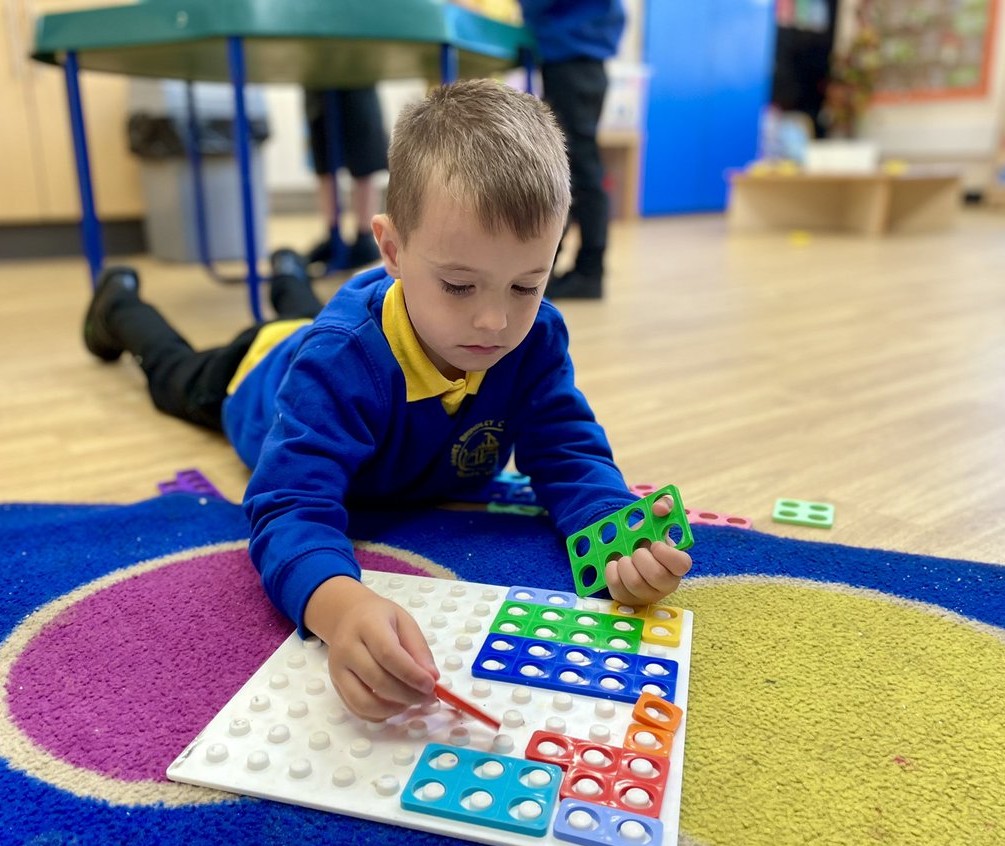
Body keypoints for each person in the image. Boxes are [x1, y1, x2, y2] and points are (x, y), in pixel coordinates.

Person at [83, 79, 692, 721]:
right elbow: (287, 503)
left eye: (526, 284)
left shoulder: (532, 339)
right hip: (257, 375)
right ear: (392, 249)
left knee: (318, 315)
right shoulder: (340, 362)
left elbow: (567, 451)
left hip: (341, 330)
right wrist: (339, 604)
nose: (495, 321)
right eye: (460, 286)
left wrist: (614, 530)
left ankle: (292, 273)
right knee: (176, 373)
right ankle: (118, 309)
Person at [520, 0, 625, 300]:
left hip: (571, 58)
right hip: (580, 57)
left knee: (575, 169)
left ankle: (589, 272)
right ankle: (578, 269)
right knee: (577, 167)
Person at [303, 87, 388, 271]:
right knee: (323, 158)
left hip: (357, 76)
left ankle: (364, 238)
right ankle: (333, 236)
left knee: (365, 158)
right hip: (318, 82)